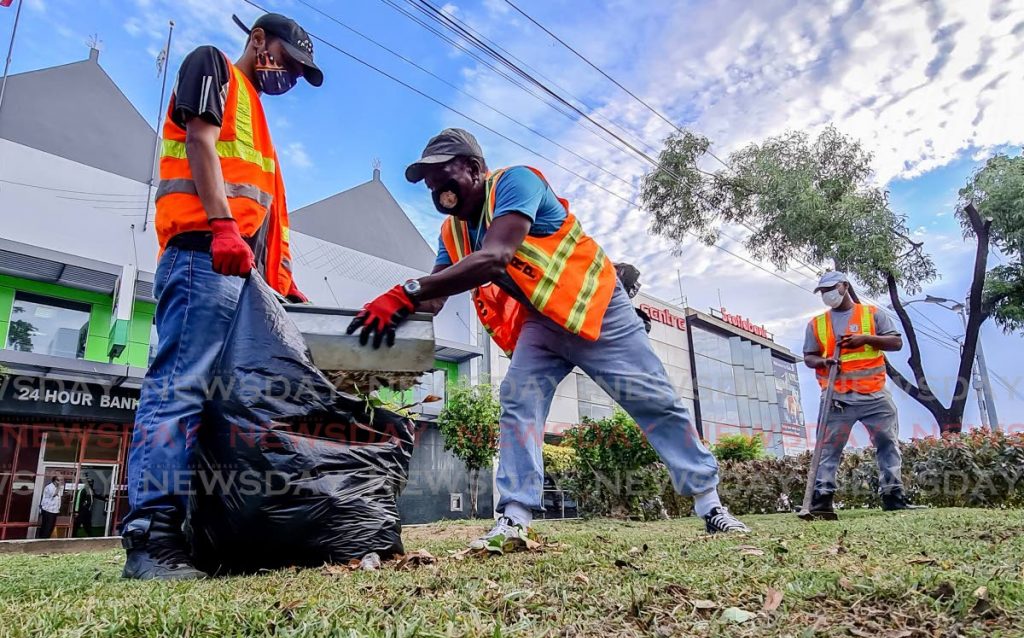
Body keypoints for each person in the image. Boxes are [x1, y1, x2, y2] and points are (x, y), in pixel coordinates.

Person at [349, 128, 750, 549]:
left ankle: (711, 504)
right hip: (543, 322)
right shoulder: (452, 234)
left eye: (445, 180)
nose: (440, 195)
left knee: (652, 399)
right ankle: (515, 518)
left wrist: (407, 291)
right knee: (517, 401)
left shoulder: (516, 182)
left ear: (473, 168)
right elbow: (436, 297)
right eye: (432, 187)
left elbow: (496, 256)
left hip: (597, 308)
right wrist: (393, 312)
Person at [121, 12, 323, 580]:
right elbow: (199, 143)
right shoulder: (211, 66)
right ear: (258, 41)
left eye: (297, 71)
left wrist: (280, 284)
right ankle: (151, 537)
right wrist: (222, 226)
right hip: (200, 256)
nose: (285, 74)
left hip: (235, 270)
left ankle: (191, 535)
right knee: (179, 390)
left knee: (218, 404)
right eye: (285, 59)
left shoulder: (257, 118)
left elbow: (265, 210)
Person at [802, 270, 919, 518]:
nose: (826, 295)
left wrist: (865, 339)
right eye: (822, 291)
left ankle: (893, 496)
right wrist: (825, 362)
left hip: (874, 396)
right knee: (828, 450)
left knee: (887, 444)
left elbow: (896, 343)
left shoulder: (872, 315)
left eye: (830, 289)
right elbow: (808, 357)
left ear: (844, 286)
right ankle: (822, 501)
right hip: (836, 398)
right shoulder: (816, 324)